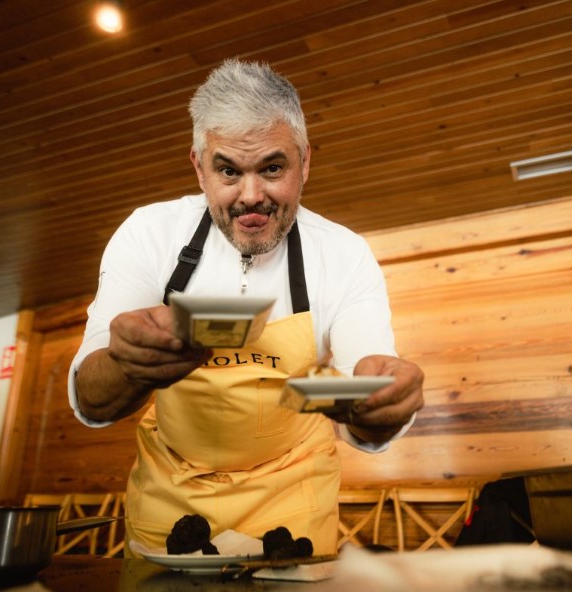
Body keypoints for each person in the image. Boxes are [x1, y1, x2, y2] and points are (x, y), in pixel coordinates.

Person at [67, 58, 424, 556]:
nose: (251, 196)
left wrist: (380, 402)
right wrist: (127, 365)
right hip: (171, 501)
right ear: (199, 167)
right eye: (228, 171)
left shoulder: (344, 255)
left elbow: (363, 389)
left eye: (272, 168)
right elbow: (91, 400)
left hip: (293, 503)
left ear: (305, 162)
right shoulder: (148, 234)